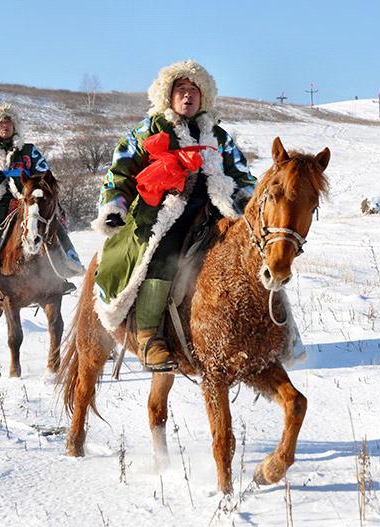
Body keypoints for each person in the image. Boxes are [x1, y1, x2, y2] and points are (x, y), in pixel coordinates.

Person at [92, 60, 256, 371]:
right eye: (181, 89)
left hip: (212, 213)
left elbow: (242, 174)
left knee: (252, 255)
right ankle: (148, 336)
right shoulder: (149, 129)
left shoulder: (218, 136)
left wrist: (248, 199)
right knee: (165, 254)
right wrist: (114, 206)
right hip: (164, 213)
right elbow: (120, 171)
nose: (187, 95)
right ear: (168, 95)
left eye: (194, 89)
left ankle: (262, 332)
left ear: (203, 96)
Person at [0, 103, 83, 291]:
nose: (5, 126)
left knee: (51, 225)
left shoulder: (28, 150)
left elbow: (44, 174)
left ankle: (61, 272)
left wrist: (32, 184)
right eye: (1, 123)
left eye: (8, 123)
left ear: (15, 126)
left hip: (26, 197)